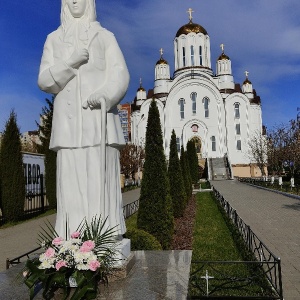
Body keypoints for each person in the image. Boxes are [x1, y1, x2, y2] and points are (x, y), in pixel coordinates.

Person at [38, 0, 129, 238]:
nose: (74, 1)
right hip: (68, 127)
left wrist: (106, 95)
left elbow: (120, 74)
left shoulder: (104, 37)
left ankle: (103, 236)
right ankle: (70, 238)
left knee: (98, 182)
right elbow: (45, 81)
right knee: (69, 185)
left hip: (97, 121)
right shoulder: (54, 39)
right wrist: (71, 62)